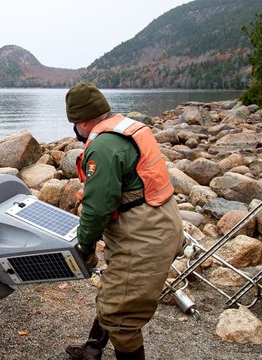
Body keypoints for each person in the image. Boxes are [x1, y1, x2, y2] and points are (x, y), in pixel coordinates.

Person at [64, 82, 184, 360]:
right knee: (116, 289)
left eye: (74, 123)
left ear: (82, 121)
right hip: (163, 218)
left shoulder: (104, 147)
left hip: (145, 235)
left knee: (121, 316)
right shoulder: (129, 126)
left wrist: (84, 245)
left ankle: (106, 348)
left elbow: (96, 209)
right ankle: (93, 349)